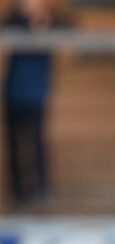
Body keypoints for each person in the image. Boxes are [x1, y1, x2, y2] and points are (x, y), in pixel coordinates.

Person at [2, 0, 64, 208]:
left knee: (37, 140)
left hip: (36, 93)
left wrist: (41, 22)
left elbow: (68, 30)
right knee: (13, 143)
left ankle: (41, 188)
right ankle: (18, 192)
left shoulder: (54, 23)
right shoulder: (13, 21)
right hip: (13, 91)